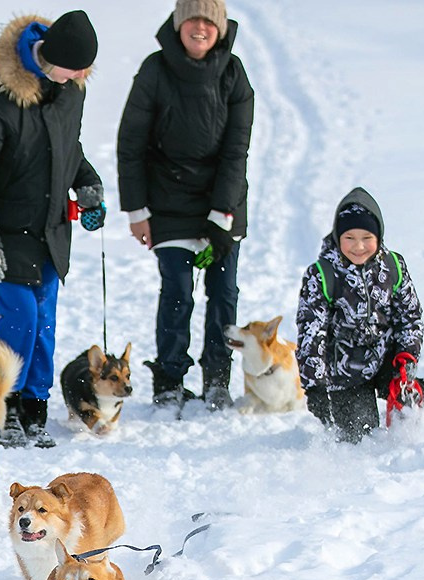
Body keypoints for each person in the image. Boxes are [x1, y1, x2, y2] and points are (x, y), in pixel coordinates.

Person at [0, 10, 103, 448]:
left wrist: (87, 183)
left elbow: (68, 149)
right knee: (21, 318)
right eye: (72, 68)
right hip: (4, 233)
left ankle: (34, 408)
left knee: (46, 324)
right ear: (47, 56)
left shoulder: (71, 87)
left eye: (83, 71)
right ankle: (0, 403)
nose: (78, 77)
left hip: (50, 230)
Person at [116, 0, 254, 413]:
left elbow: (236, 151)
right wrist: (137, 210)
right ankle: (170, 379)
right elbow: (131, 143)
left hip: (222, 203)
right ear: (178, 25)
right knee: (176, 291)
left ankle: (216, 379)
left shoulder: (234, 74)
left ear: (220, 27)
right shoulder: (155, 70)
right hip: (169, 201)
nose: (199, 28)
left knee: (223, 293)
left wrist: (221, 213)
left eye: (208, 21)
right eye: (191, 19)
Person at [296, 187, 424, 443]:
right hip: (344, 373)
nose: (358, 246)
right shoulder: (322, 275)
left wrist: (406, 356)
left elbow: (410, 317)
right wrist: (315, 386)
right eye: (349, 237)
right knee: (359, 438)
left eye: (366, 237)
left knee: (408, 405)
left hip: (386, 361)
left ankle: (418, 395)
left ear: (378, 236)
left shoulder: (392, 267)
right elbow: (311, 333)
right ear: (337, 237)